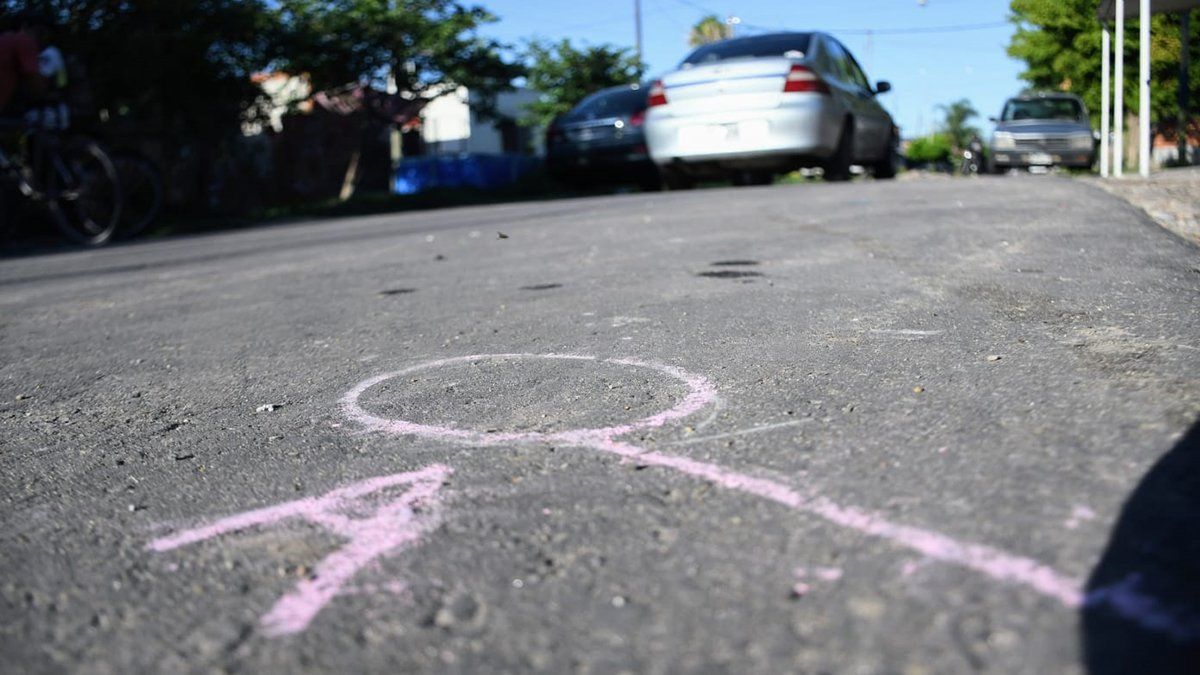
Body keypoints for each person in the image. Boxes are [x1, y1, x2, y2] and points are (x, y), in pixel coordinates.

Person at [0, 11, 49, 118]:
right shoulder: (24, 40)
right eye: (40, 33)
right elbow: (35, 85)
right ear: (25, 26)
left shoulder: (5, 39)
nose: (41, 39)